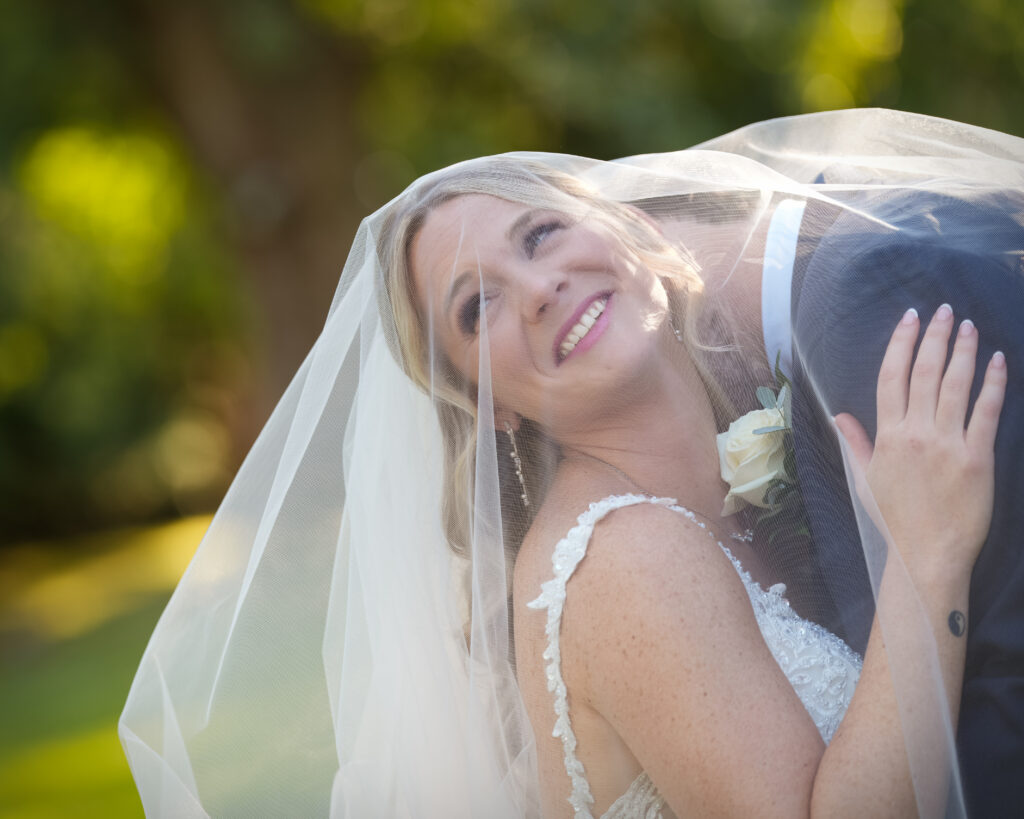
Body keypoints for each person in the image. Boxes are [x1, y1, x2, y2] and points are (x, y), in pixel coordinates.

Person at [118, 110, 1020, 817]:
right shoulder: (622, 560)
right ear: (487, 404)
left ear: (629, 237)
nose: (539, 287)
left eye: (540, 235)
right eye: (480, 306)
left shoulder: (729, 483)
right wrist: (928, 551)